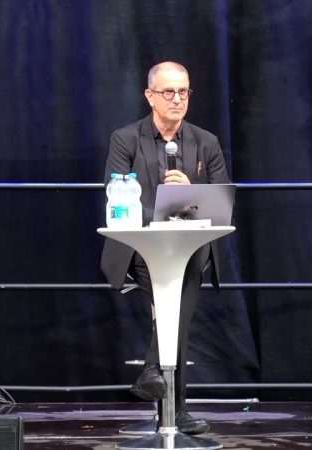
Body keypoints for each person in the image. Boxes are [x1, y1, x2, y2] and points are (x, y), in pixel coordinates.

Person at [100, 61, 230, 435]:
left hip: (189, 251)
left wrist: (190, 192)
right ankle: (173, 406)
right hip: (142, 250)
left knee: (184, 277)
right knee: (179, 294)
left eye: (183, 91)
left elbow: (221, 202)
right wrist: (169, 209)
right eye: (169, 91)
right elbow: (117, 197)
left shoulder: (206, 142)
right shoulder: (126, 139)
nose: (177, 99)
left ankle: (156, 376)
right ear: (150, 96)